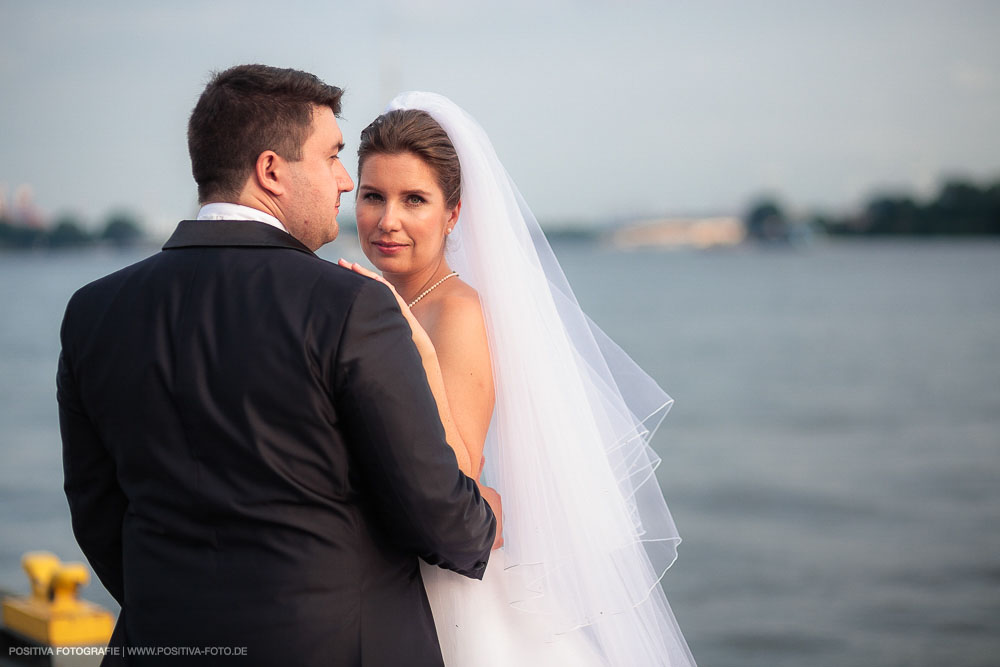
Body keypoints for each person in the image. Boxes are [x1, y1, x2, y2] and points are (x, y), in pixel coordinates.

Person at [57, 65, 500, 667]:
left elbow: (98, 515)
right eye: (332, 156)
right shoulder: (351, 306)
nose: (345, 182)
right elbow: (444, 521)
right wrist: (487, 513)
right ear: (271, 171)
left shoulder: (93, 312)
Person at [342, 93, 696, 666]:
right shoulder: (369, 301)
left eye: (414, 200)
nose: (389, 220)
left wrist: (424, 357)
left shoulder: (454, 312)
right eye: (373, 196)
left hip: (442, 588)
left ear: (452, 214)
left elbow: (458, 477)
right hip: (379, 575)